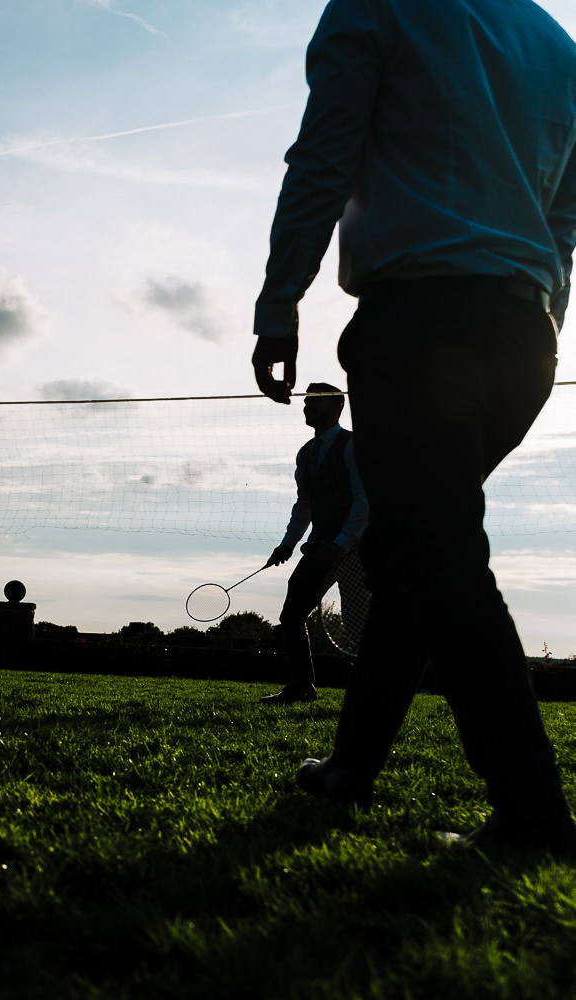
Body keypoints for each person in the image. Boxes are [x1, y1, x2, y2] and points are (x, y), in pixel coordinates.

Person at [251, 0, 576, 852]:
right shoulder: (553, 38)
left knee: (438, 558)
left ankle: (534, 813)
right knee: (406, 554)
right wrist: (548, 314)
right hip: (523, 337)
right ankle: (351, 765)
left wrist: (280, 300)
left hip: (420, 324)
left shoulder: (376, 5)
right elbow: (568, 213)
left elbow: (324, 155)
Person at [260, 382, 368, 705]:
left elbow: (365, 501)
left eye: (314, 402)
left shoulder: (353, 446)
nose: (306, 407)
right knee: (292, 615)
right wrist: (288, 544)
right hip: (319, 547)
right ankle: (301, 688)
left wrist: (344, 542)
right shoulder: (305, 454)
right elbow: (303, 506)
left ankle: (374, 691)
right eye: (306, 402)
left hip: (354, 552)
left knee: (358, 624)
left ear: (336, 408)